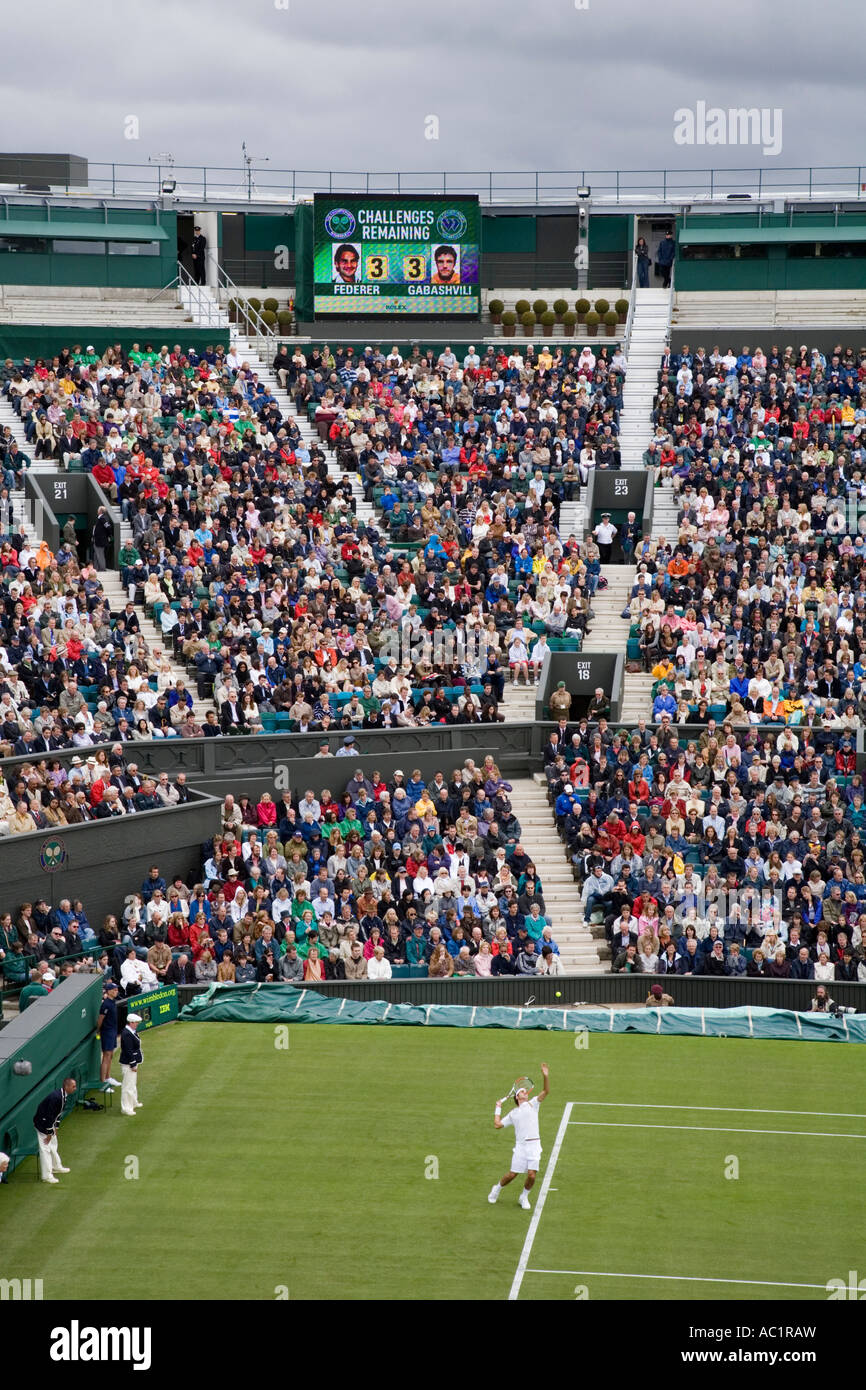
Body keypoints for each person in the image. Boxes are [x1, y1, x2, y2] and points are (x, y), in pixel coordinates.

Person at [488, 1064, 549, 1211]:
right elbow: (497, 1125)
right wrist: (498, 1108)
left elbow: (546, 1091)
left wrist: (545, 1076)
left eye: (525, 1091)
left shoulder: (533, 1104)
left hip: (534, 1145)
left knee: (532, 1175)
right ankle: (496, 1188)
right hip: (521, 1147)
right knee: (512, 1174)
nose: (525, 1092)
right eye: (522, 1091)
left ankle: (524, 1197)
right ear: (517, 1097)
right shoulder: (513, 1114)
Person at [32, 1077, 77, 1183]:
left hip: (48, 1122)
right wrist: (48, 1132)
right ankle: (46, 1176)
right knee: (45, 1148)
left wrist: (56, 1127)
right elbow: (49, 1115)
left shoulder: (63, 1095)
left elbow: (58, 1114)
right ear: (66, 1086)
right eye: (73, 1086)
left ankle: (56, 1166)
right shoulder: (56, 1097)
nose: (75, 1088)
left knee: (53, 1143)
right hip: (42, 1123)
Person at [96, 979, 122, 1087]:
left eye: (116, 990)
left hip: (113, 1031)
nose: (116, 991)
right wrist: (98, 1031)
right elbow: (101, 1019)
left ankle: (108, 1077)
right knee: (106, 1055)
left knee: (110, 1055)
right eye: (114, 990)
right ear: (109, 991)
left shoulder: (112, 1002)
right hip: (107, 1032)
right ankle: (103, 1081)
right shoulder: (106, 1004)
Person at [119, 1012, 144, 1116]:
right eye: (136, 1023)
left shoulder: (131, 1032)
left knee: (132, 1084)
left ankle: (133, 1102)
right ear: (131, 1023)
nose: (137, 1024)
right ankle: (126, 1108)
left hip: (132, 1062)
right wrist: (133, 1064)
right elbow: (128, 1050)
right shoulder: (126, 1034)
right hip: (128, 1063)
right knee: (127, 1086)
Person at [91, 506, 114, 572]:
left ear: (100, 511)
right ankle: (96, 568)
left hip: (100, 541)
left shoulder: (103, 518)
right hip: (97, 540)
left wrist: (108, 535)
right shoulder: (101, 518)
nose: (97, 511)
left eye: (98, 510)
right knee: (96, 555)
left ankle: (102, 569)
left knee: (100, 555)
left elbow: (108, 527)